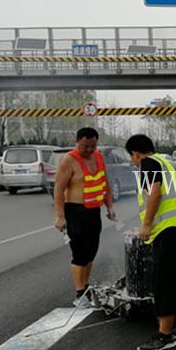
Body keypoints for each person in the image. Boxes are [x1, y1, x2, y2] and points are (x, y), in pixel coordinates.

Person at [126, 134, 176, 350]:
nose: (133, 161)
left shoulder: (148, 163)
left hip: (168, 230)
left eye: (132, 157)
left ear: (135, 153)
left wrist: (146, 224)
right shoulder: (166, 161)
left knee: (164, 283)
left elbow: (154, 192)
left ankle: (165, 335)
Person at [53, 127, 116, 307]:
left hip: (93, 211)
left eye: (92, 146)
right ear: (77, 142)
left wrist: (110, 206)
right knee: (80, 254)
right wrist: (60, 216)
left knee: (90, 253)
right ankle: (80, 294)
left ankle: (86, 287)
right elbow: (58, 190)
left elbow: (105, 183)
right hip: (75, 211)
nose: (89, 150)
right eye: (85, 146)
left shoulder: (98, 157)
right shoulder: (69, 160)